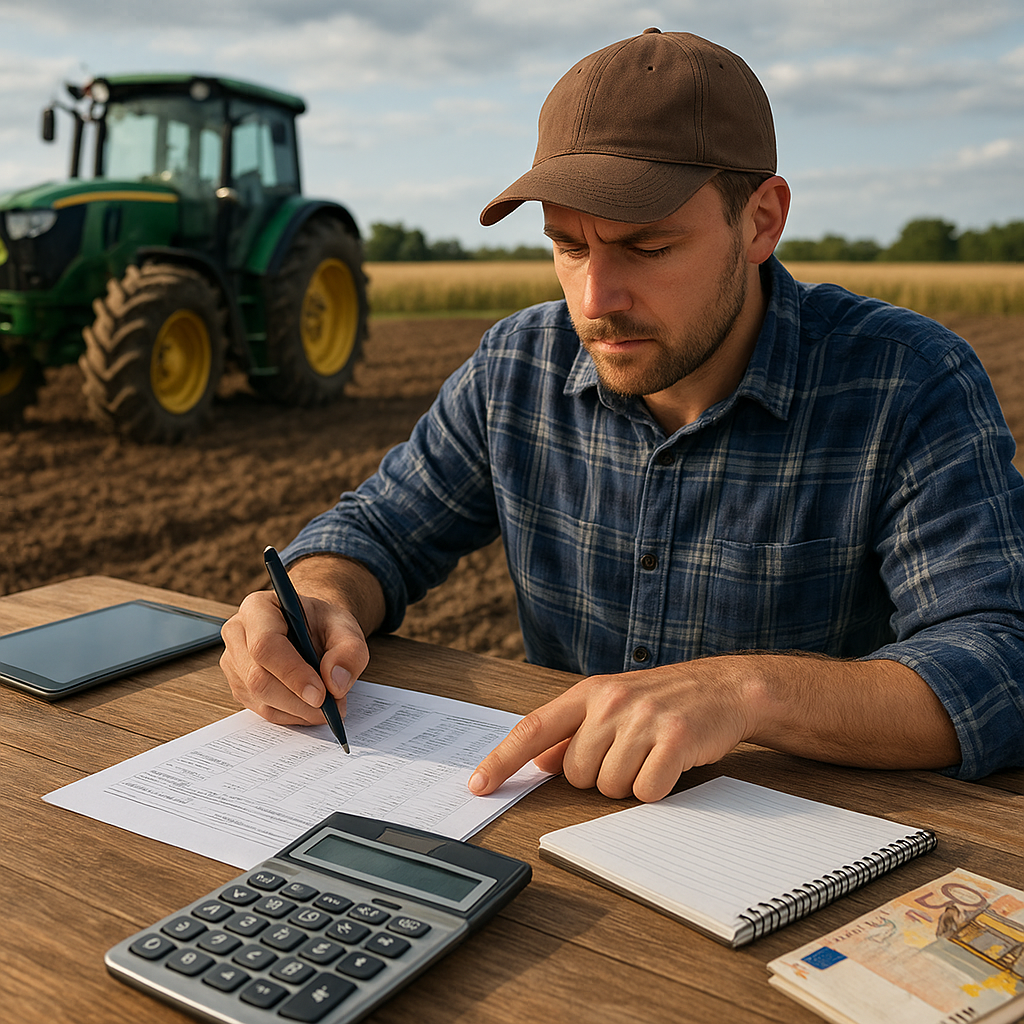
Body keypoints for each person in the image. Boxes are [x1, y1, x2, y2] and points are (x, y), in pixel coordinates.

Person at [221, 28, 1024, 802]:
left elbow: (1002, 661)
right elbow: (378, 532)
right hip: (561, 820)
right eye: (569, 247)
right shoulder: (517, 367)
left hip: (795, 839)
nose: (595, 299)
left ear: (761, 221)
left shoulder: (905, 381)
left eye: (648, 247)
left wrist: (746, 692)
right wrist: (319, 598)